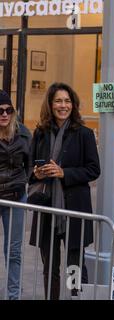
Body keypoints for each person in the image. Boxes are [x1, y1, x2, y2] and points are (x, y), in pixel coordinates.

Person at [29, 82, 100, 300]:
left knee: (74, 267)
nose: (63, 105)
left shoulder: (84, 134)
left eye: (67, 101)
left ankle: (75, 298)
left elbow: (93, 170)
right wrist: (37, 174)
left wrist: (64, 173)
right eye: (58, 101)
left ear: (73, 105)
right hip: (47, 209)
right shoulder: (40, 133)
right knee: (50, 267)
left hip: (74, 210)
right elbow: (29, 169)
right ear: (50, 104)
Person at [0, 90, 31, 300]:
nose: (4, 114)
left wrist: (23, 182)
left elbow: (30, 162)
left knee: (14, 251)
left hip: (16, 197)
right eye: (0, 110)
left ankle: (13, 295)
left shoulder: (23, 133)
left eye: (8, 110)